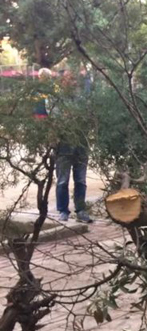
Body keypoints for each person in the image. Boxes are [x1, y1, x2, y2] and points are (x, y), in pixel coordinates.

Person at [53, 71, 93, 224]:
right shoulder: (57, 101)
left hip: (81, 146)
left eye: (74, 80)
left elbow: (88, 119)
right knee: (62, 181)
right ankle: (63, 211)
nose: (72, 83)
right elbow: (55, 122)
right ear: (63, 84)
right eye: (68, 80)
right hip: (63, 147)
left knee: (81, 180)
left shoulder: (83, 101)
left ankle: (81, 210)